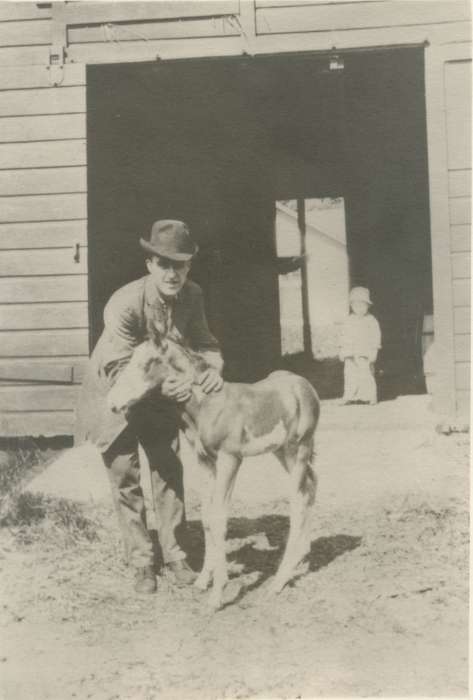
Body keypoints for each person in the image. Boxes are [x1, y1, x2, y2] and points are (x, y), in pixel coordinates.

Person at [75, 220, 223, 594]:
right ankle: (142, 561)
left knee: (168, 466)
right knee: (125, 472)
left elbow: (205, 343)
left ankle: (175, 554)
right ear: (150, 265)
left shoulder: (194, 296)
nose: (173, 273)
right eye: (164, 264)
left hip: (160, 391)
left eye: (181, 264)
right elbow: (118, 368)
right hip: (115, 394)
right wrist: (166, 386)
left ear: (189, 266)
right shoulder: (124, 304)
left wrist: (212, 371)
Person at [339, 286, 381, 405]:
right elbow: (343, 336)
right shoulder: (348, 321)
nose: (359, 308)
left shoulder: (371, 321)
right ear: (351, 306)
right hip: (350, 353)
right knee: (350, 375)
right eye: (356, 305)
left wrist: (374, 351)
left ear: (368, 306)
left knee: (366, 374)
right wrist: (342, 350)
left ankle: (370, 396)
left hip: (365, 353)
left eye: (363, 305)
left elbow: (376, 337)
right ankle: (349, 396)